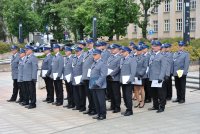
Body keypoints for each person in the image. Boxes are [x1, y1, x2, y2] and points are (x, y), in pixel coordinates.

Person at [148, 41, 167, 113]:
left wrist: (161, 77)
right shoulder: (152, 55)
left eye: (155, 46)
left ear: (159, 47)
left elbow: (163, 68)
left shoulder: (162, 56)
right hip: (152, 77)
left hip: (159, 78)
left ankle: (162, 107)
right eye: (153, 46)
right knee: (154, 93)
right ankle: (155, 106)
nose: (153, 47)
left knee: (161, 94)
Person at [89, 49, 108, 120]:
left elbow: (103, 75)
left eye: (95, 55)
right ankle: (98, 113)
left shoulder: (102, 63)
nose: (94, 56)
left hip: (99, 85)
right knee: (96, 100)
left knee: (101, 101)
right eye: (93, 55)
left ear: (100, 55)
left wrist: (97, 83)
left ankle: (103, 114)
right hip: (93, 84)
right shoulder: (94, 63)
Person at [120, 46, 137, 116]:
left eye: (123, 52)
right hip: (123, 80)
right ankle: (127, 108)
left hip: (129, 81)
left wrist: (130, 79)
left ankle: (130, 110)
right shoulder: (122, 59)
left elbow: (133, 71)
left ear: (127, 52)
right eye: (121, 52)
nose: (122, 53)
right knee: (124, 96)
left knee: (128, 96)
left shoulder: (132, 59)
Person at [82, 39, 96, 115]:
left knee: (92, 94)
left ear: (93, 44)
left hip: (91, 76)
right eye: (87, 43)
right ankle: (90, 108)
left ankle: (94, 109)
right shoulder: (85, 53)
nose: (88, 45)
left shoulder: (95, 52)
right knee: (88, 94)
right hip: (86, 77)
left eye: (90, 43)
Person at [107, 44, 122, 113]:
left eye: (113, 49)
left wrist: (111, 74)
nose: (112, 50)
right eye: (111, 49)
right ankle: (112, 106)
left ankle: (117, 107)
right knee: (111, 93)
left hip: (115, 78)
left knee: (116, 93)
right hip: (109, 77)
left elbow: (118, 68)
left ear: (118, 49)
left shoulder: (120, 57)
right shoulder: (110, 57)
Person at [72, 47, 86, 112]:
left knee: (81, 94)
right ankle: (77, 105)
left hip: (80, 78)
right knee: (76, 93)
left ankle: (82, 107)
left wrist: (82, 78)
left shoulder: (83, 58)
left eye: (77, 51)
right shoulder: (74, 58)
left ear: (81, 51)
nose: (76, 52)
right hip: (75, 78)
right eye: (75, 51)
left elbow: (84, 69)